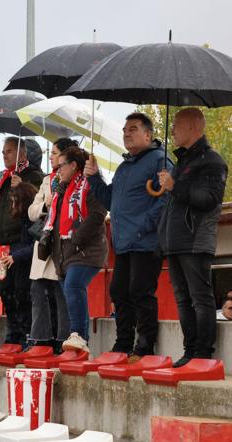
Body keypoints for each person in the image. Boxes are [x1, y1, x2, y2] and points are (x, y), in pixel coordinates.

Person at [85, 112, 171, 360]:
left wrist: (143, 226)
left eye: (133, 128)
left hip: (146, 241)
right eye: (124, 129)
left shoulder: (159, 161)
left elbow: (164, 200)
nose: (126, 133)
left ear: (148, 134)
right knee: (119, 291)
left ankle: (145, 347)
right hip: (123, 242)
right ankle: (123, 344)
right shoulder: (124, 167)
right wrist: (94, 177)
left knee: (141, 291)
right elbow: (111, 200)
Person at [158, 108, 228, 367]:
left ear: (193, 127)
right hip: (175, 240)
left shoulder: (213, 161)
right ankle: (190, 350)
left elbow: (210, 200)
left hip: (196, 240)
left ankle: (202, 353)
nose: (173, 129)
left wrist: (176, 186)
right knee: (182, 298)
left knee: (200, 297)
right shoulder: (182, 162)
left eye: (177, 124)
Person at [0, 136, 43, 344]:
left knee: (20, 291)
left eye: (9, 151)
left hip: (19, 240)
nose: (5, 155)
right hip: (0, 241)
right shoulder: (3, 178)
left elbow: (37, 208)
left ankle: (21, 336)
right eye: (3, 152)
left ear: (22, 154)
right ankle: (14, 334)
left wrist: (23, 185)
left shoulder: (35, 175)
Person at [44, 146, 108, 353]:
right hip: (63, 254)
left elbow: (98, 215)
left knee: (73, 286)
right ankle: (80, 342)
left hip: (85, 251)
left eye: (61, 165)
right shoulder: (60, 190)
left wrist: (76, 239)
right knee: (71, 294)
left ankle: (79, 335)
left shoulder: (89, 185)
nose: (58, 169)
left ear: (73, 165)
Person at [28, 138, 75, 353]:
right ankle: (41, 338)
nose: (51, 156)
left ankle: (63, 339)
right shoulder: (47, 180)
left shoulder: (77, 179)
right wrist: (44, 206)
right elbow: (31, 210)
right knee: (37, 289)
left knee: (60, 293)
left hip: (63, 240)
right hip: (45, 240)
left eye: (55, 153)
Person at [0, 183, 38, 349]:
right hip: (18, 261)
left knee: (22, 297)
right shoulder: (22, 220)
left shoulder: (32, 220)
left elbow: (35, 244)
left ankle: (26, 335)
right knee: (8, 292)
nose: (13, 206)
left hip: (26, 264)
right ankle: (15, 334)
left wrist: (15, 255)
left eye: (16, 202)